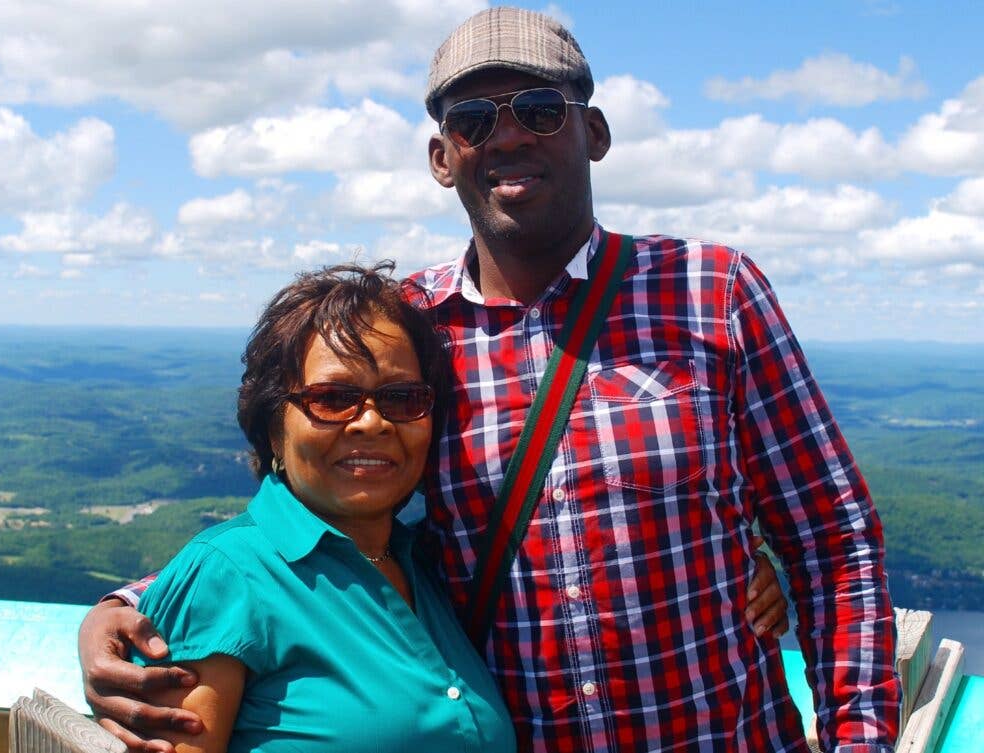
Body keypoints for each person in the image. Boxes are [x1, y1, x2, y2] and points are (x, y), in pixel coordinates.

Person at [79, 7, 898, 752]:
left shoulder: (709, 291)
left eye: (540, 111)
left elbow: (835, 540)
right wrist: (125, 606)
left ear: (597, 133)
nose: (507, 139)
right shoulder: (405, 336)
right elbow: (311, 517)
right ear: (443, 158)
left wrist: (858, 739)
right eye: (473, 121)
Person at [124, 263, 517, 752]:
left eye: (402, 397)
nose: (371, 423)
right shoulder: (226, 577)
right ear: (273, 429)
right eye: (332, 398)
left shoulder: (422, 563)